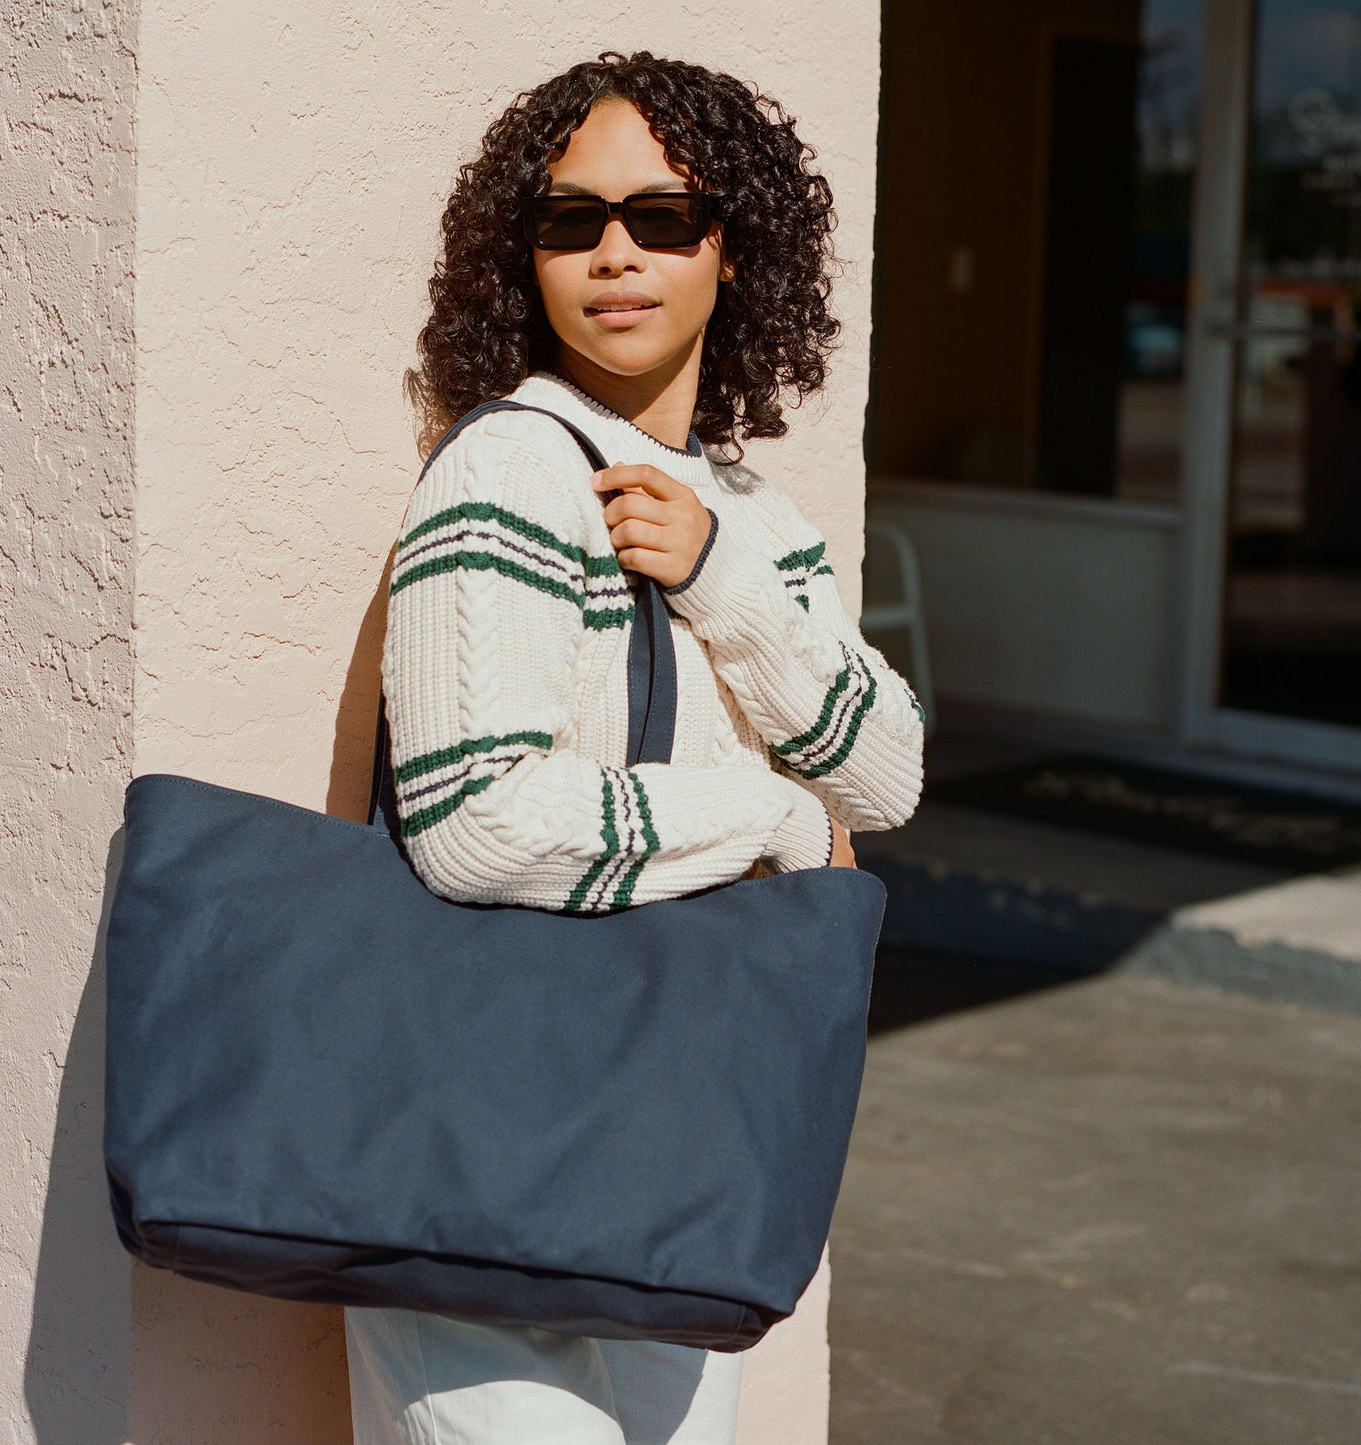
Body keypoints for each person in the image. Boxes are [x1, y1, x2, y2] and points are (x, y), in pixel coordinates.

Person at [344, 49, 925, 1445]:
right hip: (480, 1127)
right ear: (527, 257)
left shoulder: (754, 515)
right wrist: (771, 823)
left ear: (735, 252)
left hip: (679, 1126)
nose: (615, 252)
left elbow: (887, 774)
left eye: (662, 217)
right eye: (571, 221)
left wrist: (723, 582)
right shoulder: (507, 466)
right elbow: (472, 823)